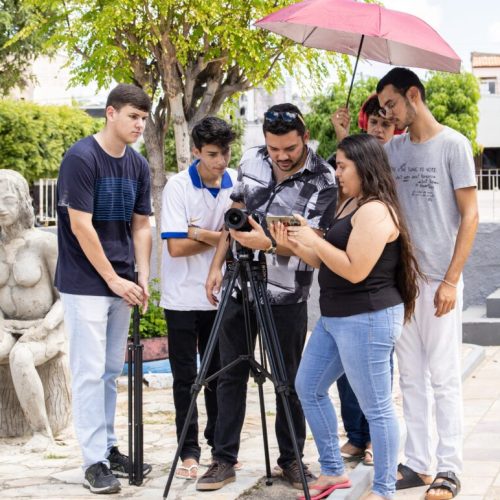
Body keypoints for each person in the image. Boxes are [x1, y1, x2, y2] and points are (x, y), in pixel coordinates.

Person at [196, 103, 337, 492]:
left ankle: (291, 459)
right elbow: (234, 215)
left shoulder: (325, 179)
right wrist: (215, 267)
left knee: (288, 381)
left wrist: (270, 243)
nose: (281, 156)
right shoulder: (251, 161)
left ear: (304, 138)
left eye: (289, 148)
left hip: (286, 294)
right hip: (238, 286)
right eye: (274, 148)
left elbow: (316, 244)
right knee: (228, 376)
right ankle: (223, 460)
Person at [272, 133, 421, 500]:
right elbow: (324, 262)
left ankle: (384, 490)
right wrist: (294, 242)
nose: (336, 173)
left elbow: (355, 270)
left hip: (367, 318)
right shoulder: (350, 203)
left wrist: (313, 236)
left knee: (377, 408)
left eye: (342, 166)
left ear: (363, 166)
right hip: (336, 317)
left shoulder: (376, 210)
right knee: (307, 387)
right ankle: (334, 471)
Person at [377, 67, 479, 500]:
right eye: (383, 108)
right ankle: (417, 463)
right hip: (403, 281)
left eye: (392, 105)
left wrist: (452, 280)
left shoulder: (453, 145)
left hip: (440, 278)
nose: (389, 114)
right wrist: (345, 131)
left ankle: (449, 467)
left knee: (443, 378)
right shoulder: (393, 149)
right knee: (410, 378)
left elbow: (470, 216)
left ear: (413, 95)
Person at [55, 83, 153, 494]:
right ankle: (92, 461)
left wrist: (142, 275)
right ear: (110, 113)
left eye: (144, 119)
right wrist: (112, 278)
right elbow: (80, 225)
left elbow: (142, 224)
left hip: (122, 281)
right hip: (85, 282)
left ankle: (108, 448)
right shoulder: (81, 158)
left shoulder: (138, 165)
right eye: (133, 117)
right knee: (89, 372)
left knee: (112, 371)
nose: (139, 125)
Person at [160, 116, 237, 480]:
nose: (220, 161)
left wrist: (201, 232)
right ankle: (187, 450)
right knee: (185, 379)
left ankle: (218, 450)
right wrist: (219, 234)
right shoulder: (177, 186)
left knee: (219, 377)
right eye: (212, 154)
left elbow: (237, 236)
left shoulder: (235, 181)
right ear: (195, 151)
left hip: (219, 296)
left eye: (224, 152)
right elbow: (175, 247)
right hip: (180, 298)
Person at [328, 94, 403, 466]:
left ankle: (374, 441)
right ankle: (356, 436)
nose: (378, 128)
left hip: (377, 286)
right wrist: (342, 133)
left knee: (375, 375)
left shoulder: (392, 159)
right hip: (344, 299)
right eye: (373, 121)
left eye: (386, 123)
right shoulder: (355, 161)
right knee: (345, 373)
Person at [0, 169, 66, 451]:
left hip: (46, 327)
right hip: (7, 326)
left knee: (21, 357)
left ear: (23, 202)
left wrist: (45, 327)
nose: (1, 209)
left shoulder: (44, 243)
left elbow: (66, 298)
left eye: (8, 200)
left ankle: (42, 432)